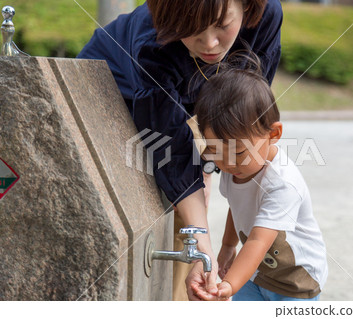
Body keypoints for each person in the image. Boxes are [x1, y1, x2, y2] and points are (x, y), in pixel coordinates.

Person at [77, 0, 282, 300]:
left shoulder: (265, 16)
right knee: (174, 209)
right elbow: (171, 149)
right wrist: (201, 236)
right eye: (193, 30)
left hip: (182, 107)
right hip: (110, 93)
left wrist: (210, 163)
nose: (210, 43)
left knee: (189, 219)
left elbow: (243, 108)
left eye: (223, 26)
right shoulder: (153, 42)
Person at [191, 64, 328, 301]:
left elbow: (257, 241)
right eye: (215, 152)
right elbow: (238, 207)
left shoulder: (282, 184)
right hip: (255, 273)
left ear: (273, 134)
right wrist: (227, 246)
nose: (226, 164)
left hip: (296, 281)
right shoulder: (234, 167)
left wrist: (229, 285)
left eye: (239, 153)